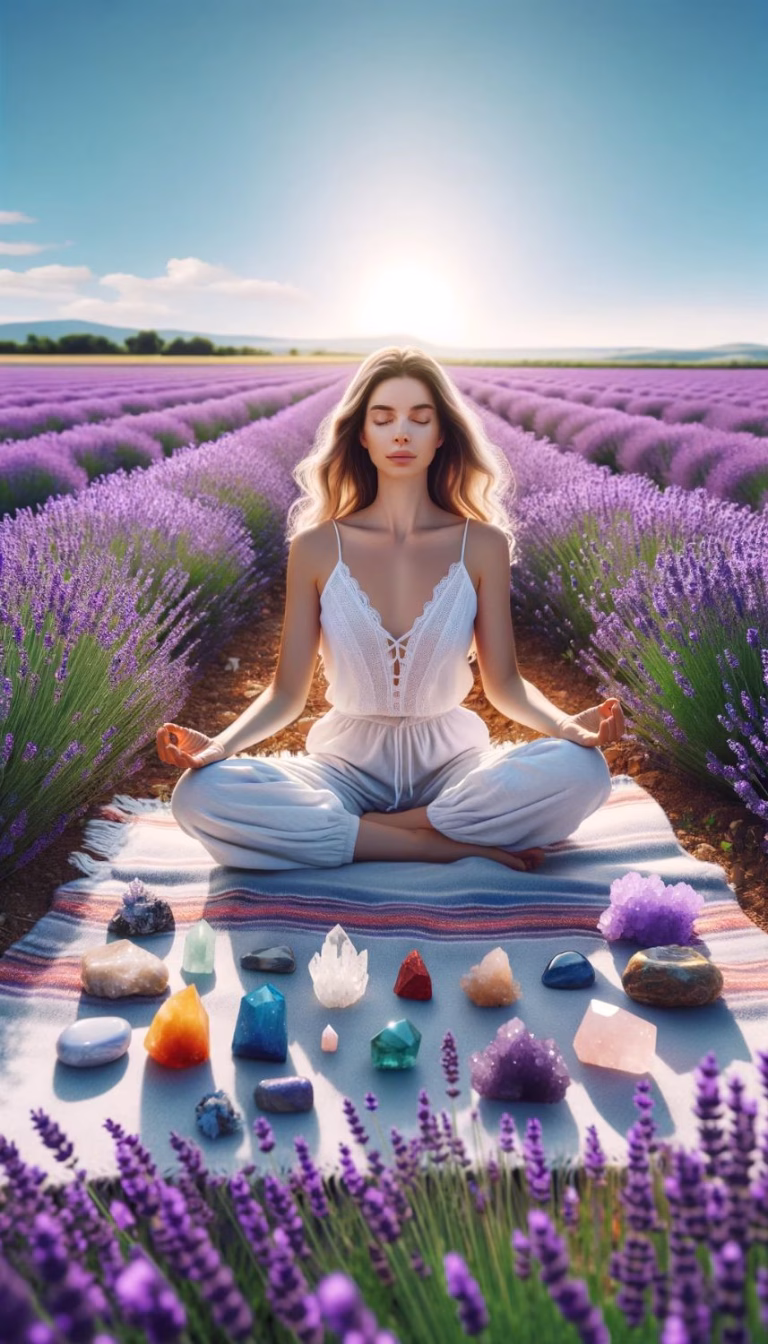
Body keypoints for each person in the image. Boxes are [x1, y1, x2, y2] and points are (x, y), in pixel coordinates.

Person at [158, 346, 625, 874]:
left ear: (441, 433)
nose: (401, 433)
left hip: (453, 767)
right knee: (199, 795)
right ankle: (434, 842)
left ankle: (376, 834)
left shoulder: (483, 544)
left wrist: (569, 727)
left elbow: (506, 686)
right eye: (383, 419)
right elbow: (285, 695)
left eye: (419, 419)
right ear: (362, 433)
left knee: (583, 772)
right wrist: (218, 747)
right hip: (344, 769)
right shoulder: (316, 546)